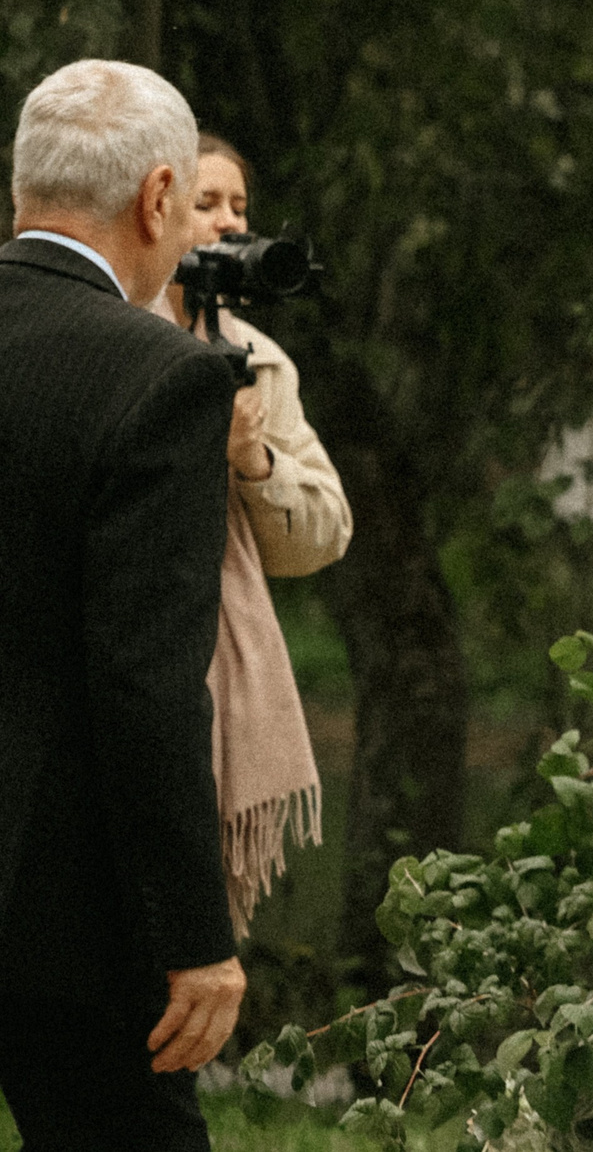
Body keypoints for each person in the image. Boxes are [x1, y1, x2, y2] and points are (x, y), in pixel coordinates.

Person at [0, 61, 246, 1151]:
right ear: (158, 197)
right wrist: (195, 934)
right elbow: (145, 681)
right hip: (62, 910)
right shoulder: (163, 376)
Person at [152, 134, 350, 934]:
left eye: (240, 207)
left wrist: (252, 458)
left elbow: (325, 532)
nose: (229, 224)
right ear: (154, 210)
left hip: (218, 669)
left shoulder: (261, 363)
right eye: (206, 204)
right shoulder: (109, 335)